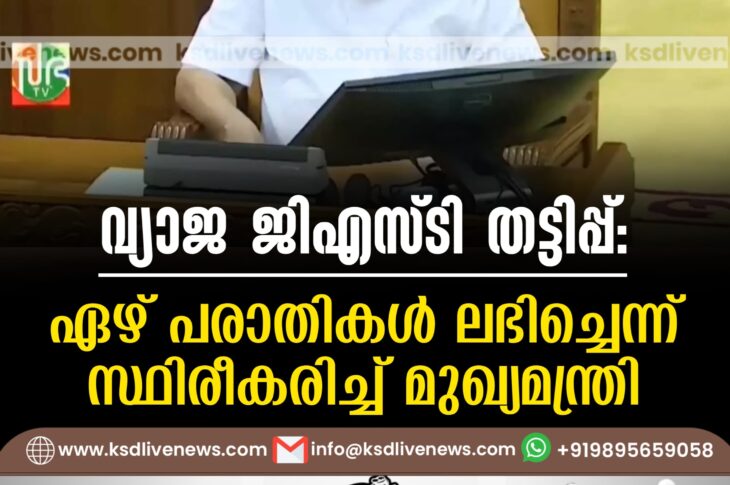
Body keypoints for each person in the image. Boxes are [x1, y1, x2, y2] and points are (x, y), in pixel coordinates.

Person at [175, 0, 543, 145]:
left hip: (442, 199)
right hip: (301, 202)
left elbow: (528, 86)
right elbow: (200, 76)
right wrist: (235, 130)